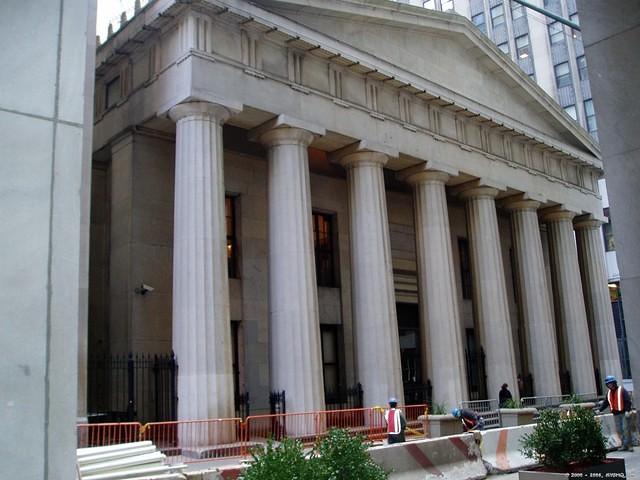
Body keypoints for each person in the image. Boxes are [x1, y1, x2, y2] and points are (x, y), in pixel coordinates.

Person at [598, 375, 634, 451]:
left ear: (614, 383)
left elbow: (627, 401)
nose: (610, 385)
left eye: (611, 383)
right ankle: (624, 445)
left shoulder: (622, 390)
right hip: (616, 414)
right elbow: (606, 403)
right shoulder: (609, 393)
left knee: (626, 429)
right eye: (608, 384)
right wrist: (600, 410)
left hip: (624, 413)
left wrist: (627, 410)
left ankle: (630, 445)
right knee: (619, 430)